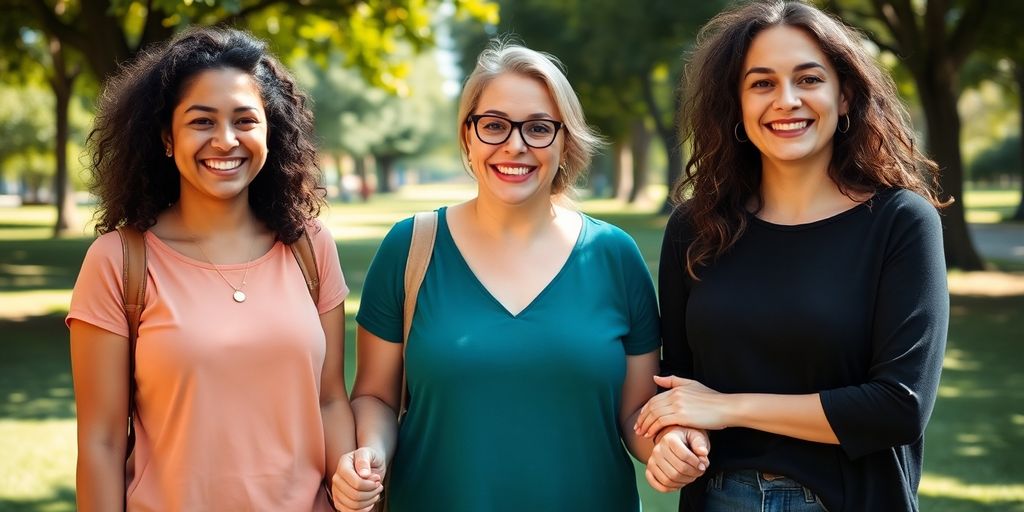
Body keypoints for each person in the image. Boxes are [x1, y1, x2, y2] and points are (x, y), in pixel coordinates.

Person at [329, 40, 709, 512]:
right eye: (493, 126)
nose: (515, 145)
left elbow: (636, 413)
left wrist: (668, 448)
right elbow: (375, 396)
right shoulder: (410, 248)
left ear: (565, 139)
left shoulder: (615, 255)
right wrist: (370, 456)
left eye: (538, 128)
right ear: (467, 136)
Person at [633, 1, 950, 511]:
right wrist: (675, 436)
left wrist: (729, 408)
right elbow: (677, 385)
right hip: (719, 499)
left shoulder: (901, 222)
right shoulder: (695, 228)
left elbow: (898, 406)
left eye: (808, 79)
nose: (787, 100)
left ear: (843, 95)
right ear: (735, 103)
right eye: (761, 83)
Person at [67, 28, 353, 511]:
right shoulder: (118, 261)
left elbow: (329, 400)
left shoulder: (310, 247)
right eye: (202, 121)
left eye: (245, 120)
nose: (225, 141)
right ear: (165, 136)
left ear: (270, 131)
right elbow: (101, 442)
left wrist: (350, 476)